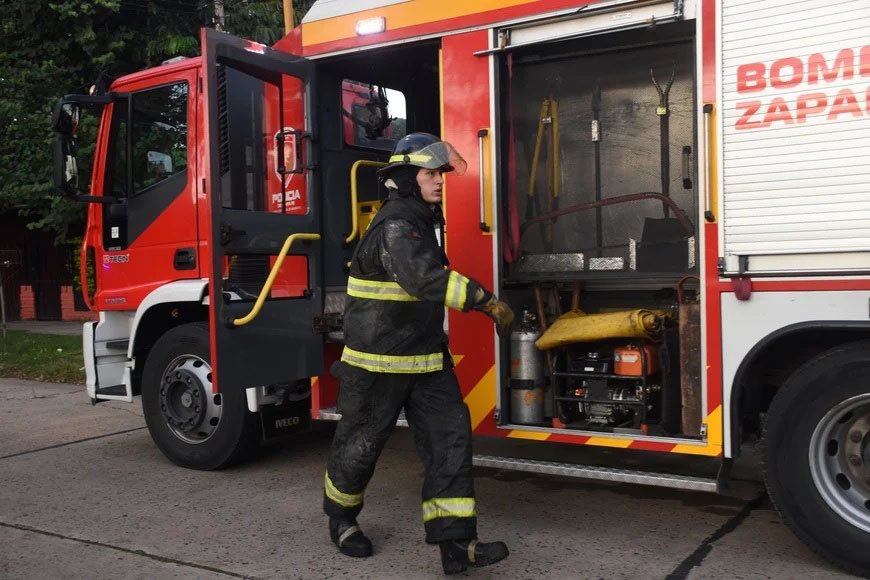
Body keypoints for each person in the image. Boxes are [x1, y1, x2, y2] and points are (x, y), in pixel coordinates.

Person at [323, 133, 514, 575]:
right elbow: (426, 280)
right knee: (361, 445)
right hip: (377, 366)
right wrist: (488, 301)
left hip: (426, 361)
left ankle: (456, 545)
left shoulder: (417, 221)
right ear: (408, 179)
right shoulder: (397, 225)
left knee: (450, 443)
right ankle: (341, 519)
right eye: (431, 174)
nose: (440, 181)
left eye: (441, 173)